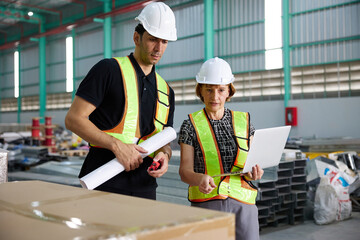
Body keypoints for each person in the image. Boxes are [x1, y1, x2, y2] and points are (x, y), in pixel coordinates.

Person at [65, 2, 177, 200]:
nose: (158, 48)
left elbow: (164, 140)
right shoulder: (108, 70)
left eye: (165, 41)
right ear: (136, 37)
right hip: (102, 182)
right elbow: (74, 119)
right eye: (152, 39)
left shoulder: (166, 91)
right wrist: (117, 146)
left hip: (145, 187)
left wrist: (165, 155)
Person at [178, 57, 264, 240]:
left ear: (229, 92)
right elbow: (185, 172)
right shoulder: (190, 125)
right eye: (208, 90)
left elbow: (254, 163)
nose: (214, 96)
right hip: (207, 204)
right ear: (200, 90)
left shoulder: (245, 123)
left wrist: (255, 172)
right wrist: (199, 178)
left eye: (220, 90)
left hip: (243, 205)